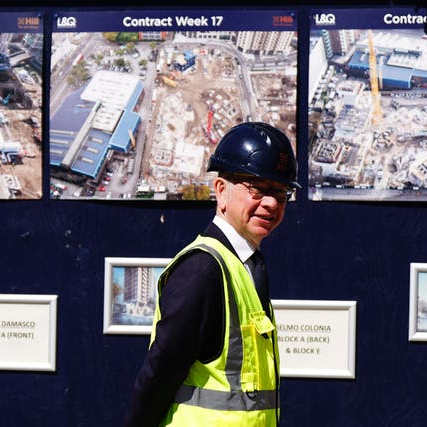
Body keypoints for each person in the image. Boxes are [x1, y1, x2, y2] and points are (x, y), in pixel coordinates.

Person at [125, 122, 300, 427]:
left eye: (281, 192)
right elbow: (159, 374)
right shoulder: (203, 269)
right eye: (257, 188)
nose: (271, 203)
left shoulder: (245, 267)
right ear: (221, 190)